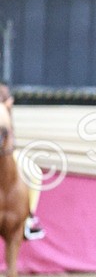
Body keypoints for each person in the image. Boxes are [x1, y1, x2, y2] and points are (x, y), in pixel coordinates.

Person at [0, 84, 45, 241]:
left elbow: (11, 135)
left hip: (6, 153)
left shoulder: (5, 104)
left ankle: (28, 218)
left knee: (34, 172)